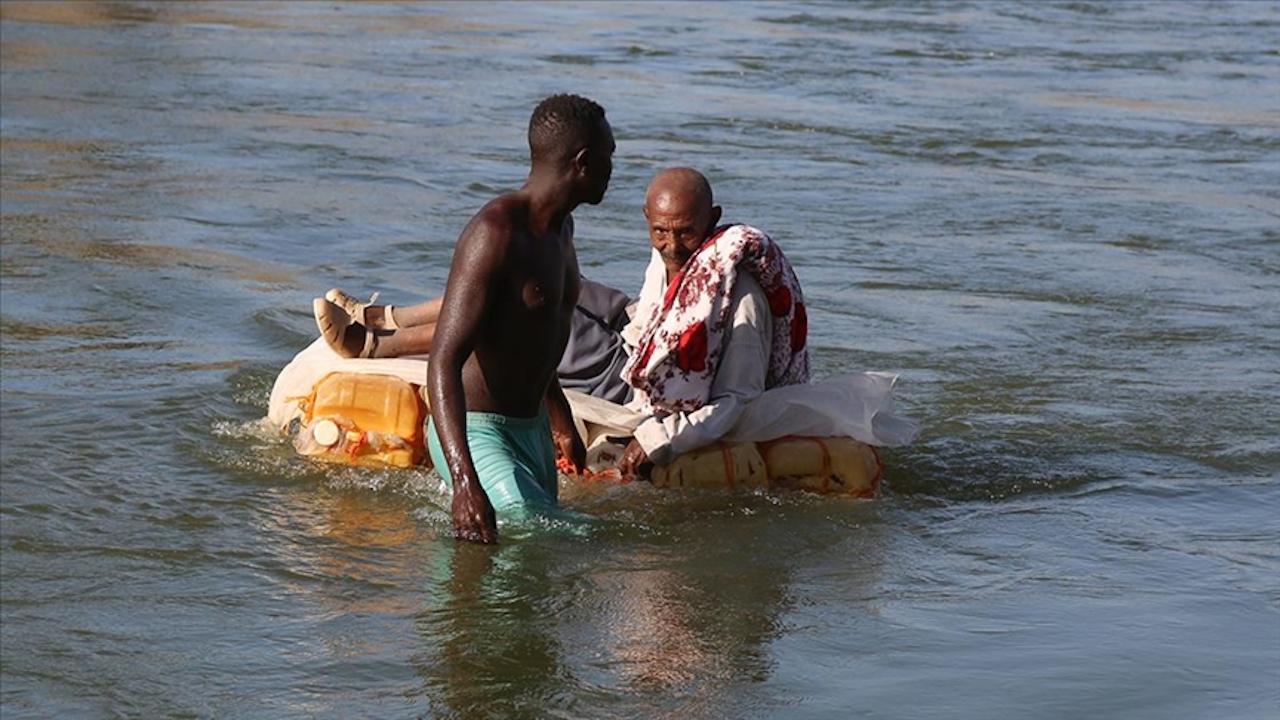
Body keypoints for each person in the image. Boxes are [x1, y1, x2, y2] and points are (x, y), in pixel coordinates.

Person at [346, 94, 611, 544]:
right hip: (478, 430)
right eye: (609, 158)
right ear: (582, 163)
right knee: (536, 539)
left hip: (533, 432)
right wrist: (464, 481)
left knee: (530, 580)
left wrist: (561, 420)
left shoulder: (563, 230)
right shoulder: (496, 233)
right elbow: (443, 361)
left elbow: (535, 335)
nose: (612, 170)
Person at [617, 167, 810, 478]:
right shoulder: (664, 258)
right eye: (660, 232)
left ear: (712, 219)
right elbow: (643, 328)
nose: (673, 246)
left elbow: (738, 400)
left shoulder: (742, 298)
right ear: (647, 219)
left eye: (686, 232)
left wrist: (656, 439)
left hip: (709, 419)